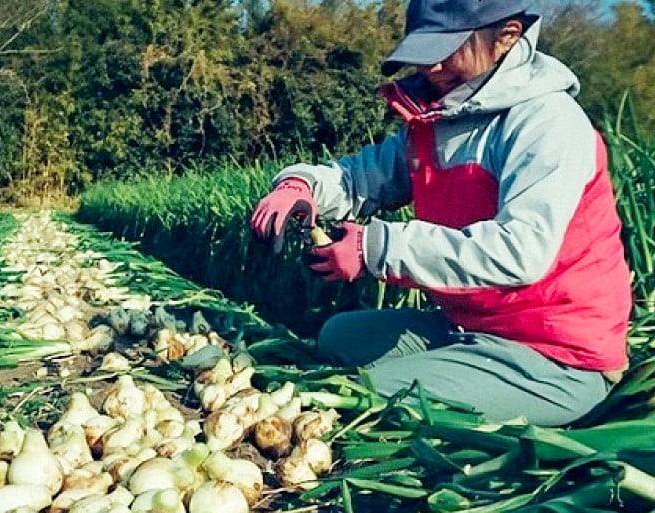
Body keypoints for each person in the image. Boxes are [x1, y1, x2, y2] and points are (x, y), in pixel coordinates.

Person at [249, 0, 632, 427]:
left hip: (555, 353)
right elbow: (364, 177)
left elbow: (520, 252)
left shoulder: (548, 123)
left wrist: (374, 247)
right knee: (338, 336)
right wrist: (301, 186)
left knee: (370, 395)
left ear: (506, 36)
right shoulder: (440, 114)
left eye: (445, 48)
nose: (430, 66)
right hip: (475, 328)